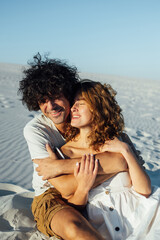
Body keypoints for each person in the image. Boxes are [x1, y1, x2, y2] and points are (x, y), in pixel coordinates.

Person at [18, 53, 128, 240]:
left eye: (55, 97)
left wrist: (61, 166)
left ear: (68, 93)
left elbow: (119, 158)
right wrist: (114, 166)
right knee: (75, 229)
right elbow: (63, 187)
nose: (51, 106)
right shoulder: (36, 130)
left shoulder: (82, 118)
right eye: (43, 101)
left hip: (95, 188)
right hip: (51, 196)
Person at [40, 80, 160, 240]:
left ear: (97, 108)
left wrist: (126, 150)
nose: (73, 108)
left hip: (144, 217)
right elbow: (73, 207)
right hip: (103, 227)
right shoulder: (63, 154)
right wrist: (83, 186)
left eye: (80, 103)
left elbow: (144, 190)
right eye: (73, 103)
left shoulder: (118, 141)